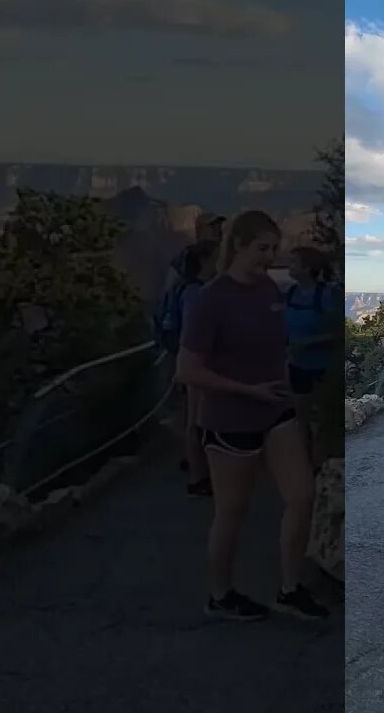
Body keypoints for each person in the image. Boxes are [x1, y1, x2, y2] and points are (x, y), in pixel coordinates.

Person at [177, 210, 329, 621]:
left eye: (274, 249)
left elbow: (275, 348)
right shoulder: (211, 300)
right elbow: (187, 370)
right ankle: (221, 595)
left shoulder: (267, 290)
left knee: (302, 495)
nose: (270, 256)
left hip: (276, 410)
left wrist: (284, 388)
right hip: (230, 419)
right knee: (232, 512)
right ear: (239, 246)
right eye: (263, 248)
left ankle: (290, 588)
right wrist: (247, 390)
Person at [157, 240, 218, 496]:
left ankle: (195, 466)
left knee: (192, 415)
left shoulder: (183, 289)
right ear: (204, 261)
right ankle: (198, 477)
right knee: (197, 419)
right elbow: (197, 332)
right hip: (198, 363)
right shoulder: (196, 293)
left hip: (185, 359)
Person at [284, 246, 335, 445]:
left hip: (322, 367)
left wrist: (306, 342)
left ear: (307, 268)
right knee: (301, 418)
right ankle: (306, 458)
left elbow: (335, 333)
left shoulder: (325, 295)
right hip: (297, 365)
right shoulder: (291, 292)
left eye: (294, 262)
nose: (289, 266)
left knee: (324, 417)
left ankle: (324, 459)